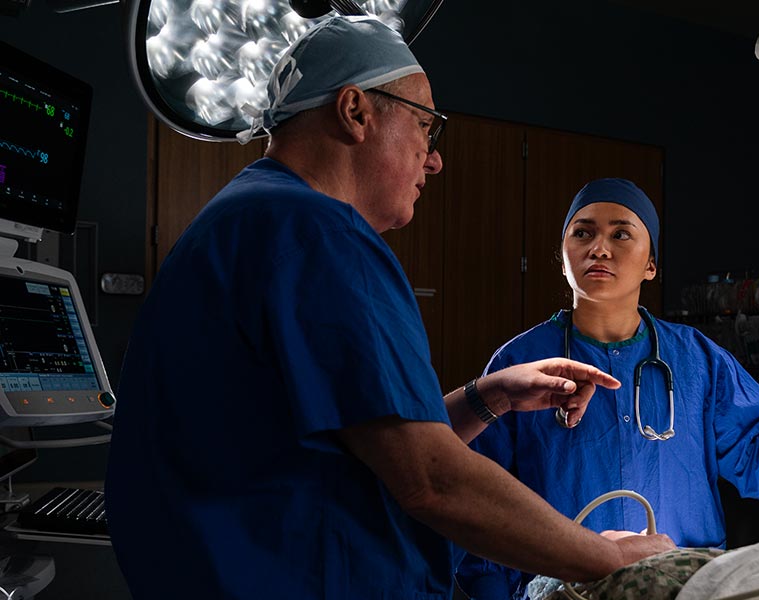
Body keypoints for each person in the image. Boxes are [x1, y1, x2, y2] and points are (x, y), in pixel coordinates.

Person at [104, 17, 673, 600]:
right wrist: (610, 559)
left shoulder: (252, 218)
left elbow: (366, 442)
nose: (435, 161)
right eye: (427, 126)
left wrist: (491, 396)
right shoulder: (318, 234)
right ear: (356, 112)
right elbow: (430, 479)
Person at [456, 178, 759, 599]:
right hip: (565, 589)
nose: (599, 248)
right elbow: (473, 497)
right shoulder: (518, 365)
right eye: (582, 232)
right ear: (562, 257)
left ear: (651, 265)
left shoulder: (697, 359)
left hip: (682, 586)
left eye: (621, 233)